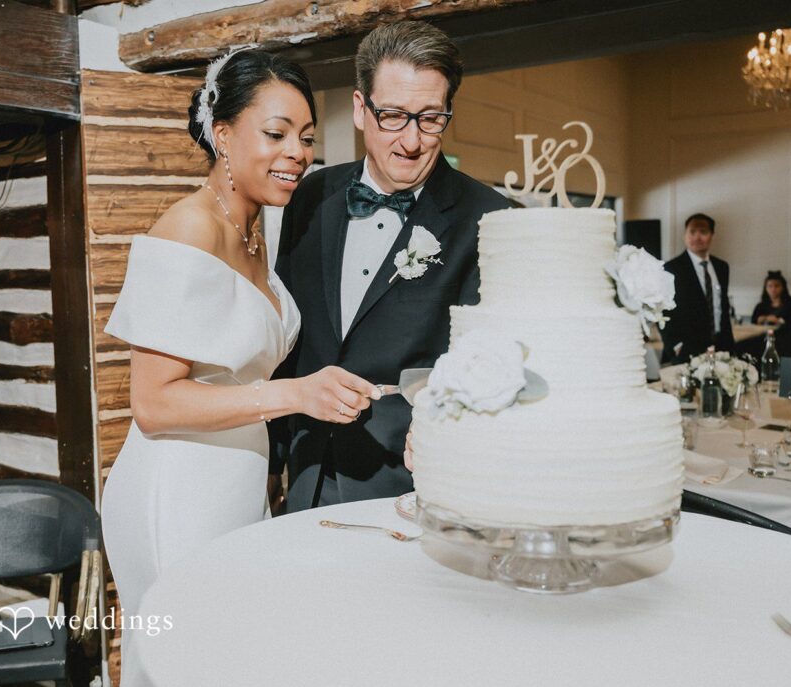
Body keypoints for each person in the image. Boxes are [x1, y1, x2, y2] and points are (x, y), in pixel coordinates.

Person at [100, 50, 379, 683]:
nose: (297, 153)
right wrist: (293, 396)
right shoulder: (187, 230)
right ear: (222, 134)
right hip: (177, 484)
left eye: (307, 138)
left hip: (237, 476)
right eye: (276, 134)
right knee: (191, 660)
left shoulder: (261, 229)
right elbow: (155, 403)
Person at [270, 21, 512, 512]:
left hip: (413, 485)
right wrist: (273, 461)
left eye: (430, 119)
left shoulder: (489, 219)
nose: (411, 141)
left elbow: (500, 362)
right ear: (360, 109)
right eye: (394, 116)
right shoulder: (309, 196)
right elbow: (289, 345)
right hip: (307, 473)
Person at [660, 212, 734, 363]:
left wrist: (730, 345)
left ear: (712, 235)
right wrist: (676, 346)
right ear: (684, 235)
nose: (697, 237)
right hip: (687, 349)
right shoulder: (671, 268)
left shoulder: (722, 267)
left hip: (721, 346)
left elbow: (722, 307)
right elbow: (662, 310)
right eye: (692, 232)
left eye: (703, 232)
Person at [751, 270, 791, 358]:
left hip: (788, 345)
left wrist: (779, 321)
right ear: (765, 288)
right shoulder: (760, 306)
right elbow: (753, 324)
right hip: (764, 344)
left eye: (777, 286)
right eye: (770, 286)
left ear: (783, 287)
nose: (773, 289)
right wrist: (764, 319)